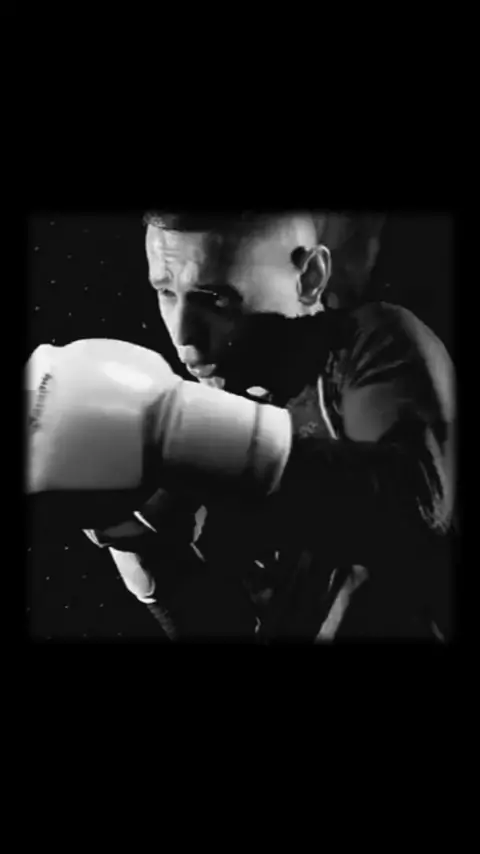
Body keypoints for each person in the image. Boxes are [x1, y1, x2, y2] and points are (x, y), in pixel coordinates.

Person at [29, 211, 456, 641]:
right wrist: (142, 550)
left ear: (310, 277)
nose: (184, 334)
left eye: (214, 298)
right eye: (166, 292)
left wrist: (179, 436)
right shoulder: (221, 418)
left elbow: (416, 504)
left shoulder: (366, 341)